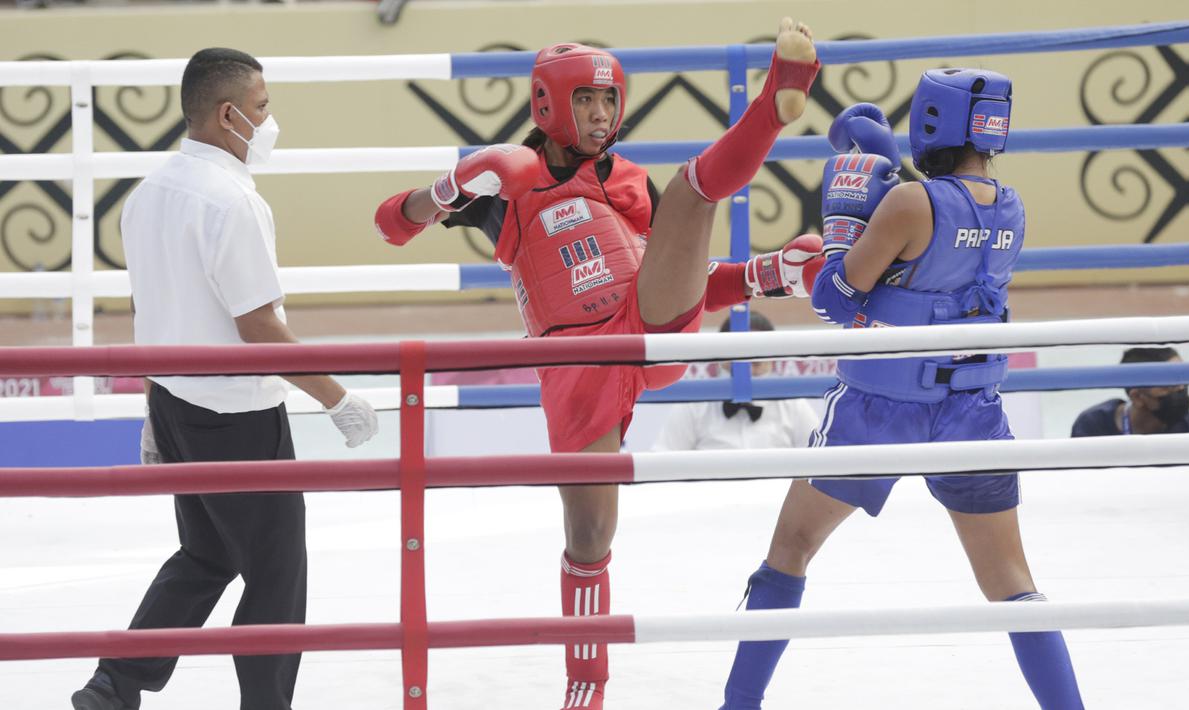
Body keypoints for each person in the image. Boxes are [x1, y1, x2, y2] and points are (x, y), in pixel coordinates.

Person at [375, 18, 823, 709]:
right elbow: (389, 224)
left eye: (609, 102)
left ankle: (771, 104)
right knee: (588, 536)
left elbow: (675, 271)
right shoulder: (505, 183)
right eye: (585, 99)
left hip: (642, 327)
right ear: (550, 104)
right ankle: (586, 687)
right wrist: (452, 185)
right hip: (574, 361)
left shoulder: (630, 182)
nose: (600, 115)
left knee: (691, 193)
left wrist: (741, 279)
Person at [718, 71, 1086, 709]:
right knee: (1011, 582)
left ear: (933, 120)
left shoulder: (910, 204)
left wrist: (841, 221)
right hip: (972, 412)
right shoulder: (1011, 207)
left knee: (790, 549)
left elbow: (835, 299)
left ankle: (737, 706)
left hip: (877, 410)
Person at [71, 48, 378, 710]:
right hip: (238, 415)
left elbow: (148, 311)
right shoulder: (232, 202)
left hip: (180, 406)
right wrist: (339, 399)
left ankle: (114, 684)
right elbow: (260, 328)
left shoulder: (147, 194)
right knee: (277, 576)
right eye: (263, 108)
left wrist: (155, 410)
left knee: (207, 554)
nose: (270, 122)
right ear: (228, 114)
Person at [652, 311, 817, 452]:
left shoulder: (794, 405)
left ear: (772, 361)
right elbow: (661, 459)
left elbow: (818, 464)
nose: (748, 371)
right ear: (719, 358)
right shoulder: (693, 405)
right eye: (737, 361)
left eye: (757, 362)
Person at [1071, 347, 1189, 436]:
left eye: (1183, 377)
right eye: (1169, 384)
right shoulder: (1092, 426)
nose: (1181, 388)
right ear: (1137, 397)